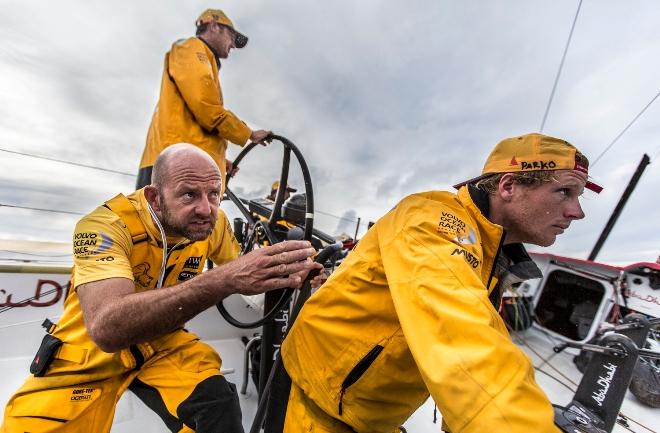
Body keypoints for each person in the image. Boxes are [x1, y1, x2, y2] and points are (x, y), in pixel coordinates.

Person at [279, 133, 603, 433]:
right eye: (565, 192)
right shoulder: (432, 219)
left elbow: (481, 333)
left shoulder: (492, 253)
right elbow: (459, 334)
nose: (577, 212)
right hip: (325, 404)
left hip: (371, 412)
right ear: (507, 186)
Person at [1, 144, 321, 433]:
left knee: (218, 403)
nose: (206, 209)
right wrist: (223, 280)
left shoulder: (214, 223)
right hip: (87, 352)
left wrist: (294, 271)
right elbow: (106, 328)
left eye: (214, 194)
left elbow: (243, 266)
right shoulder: (104, 225)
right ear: (155, 196)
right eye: (189, 195)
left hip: (163, 343)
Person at [137, 9, 272, 190]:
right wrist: (249, 133)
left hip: (181, 161)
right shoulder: (191, 48)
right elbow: (206, 108)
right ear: (214, 26)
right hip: (174, 165)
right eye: (231, 35)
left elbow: (193, 124)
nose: (233, 44)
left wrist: (219, 160)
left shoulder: (204, 60)